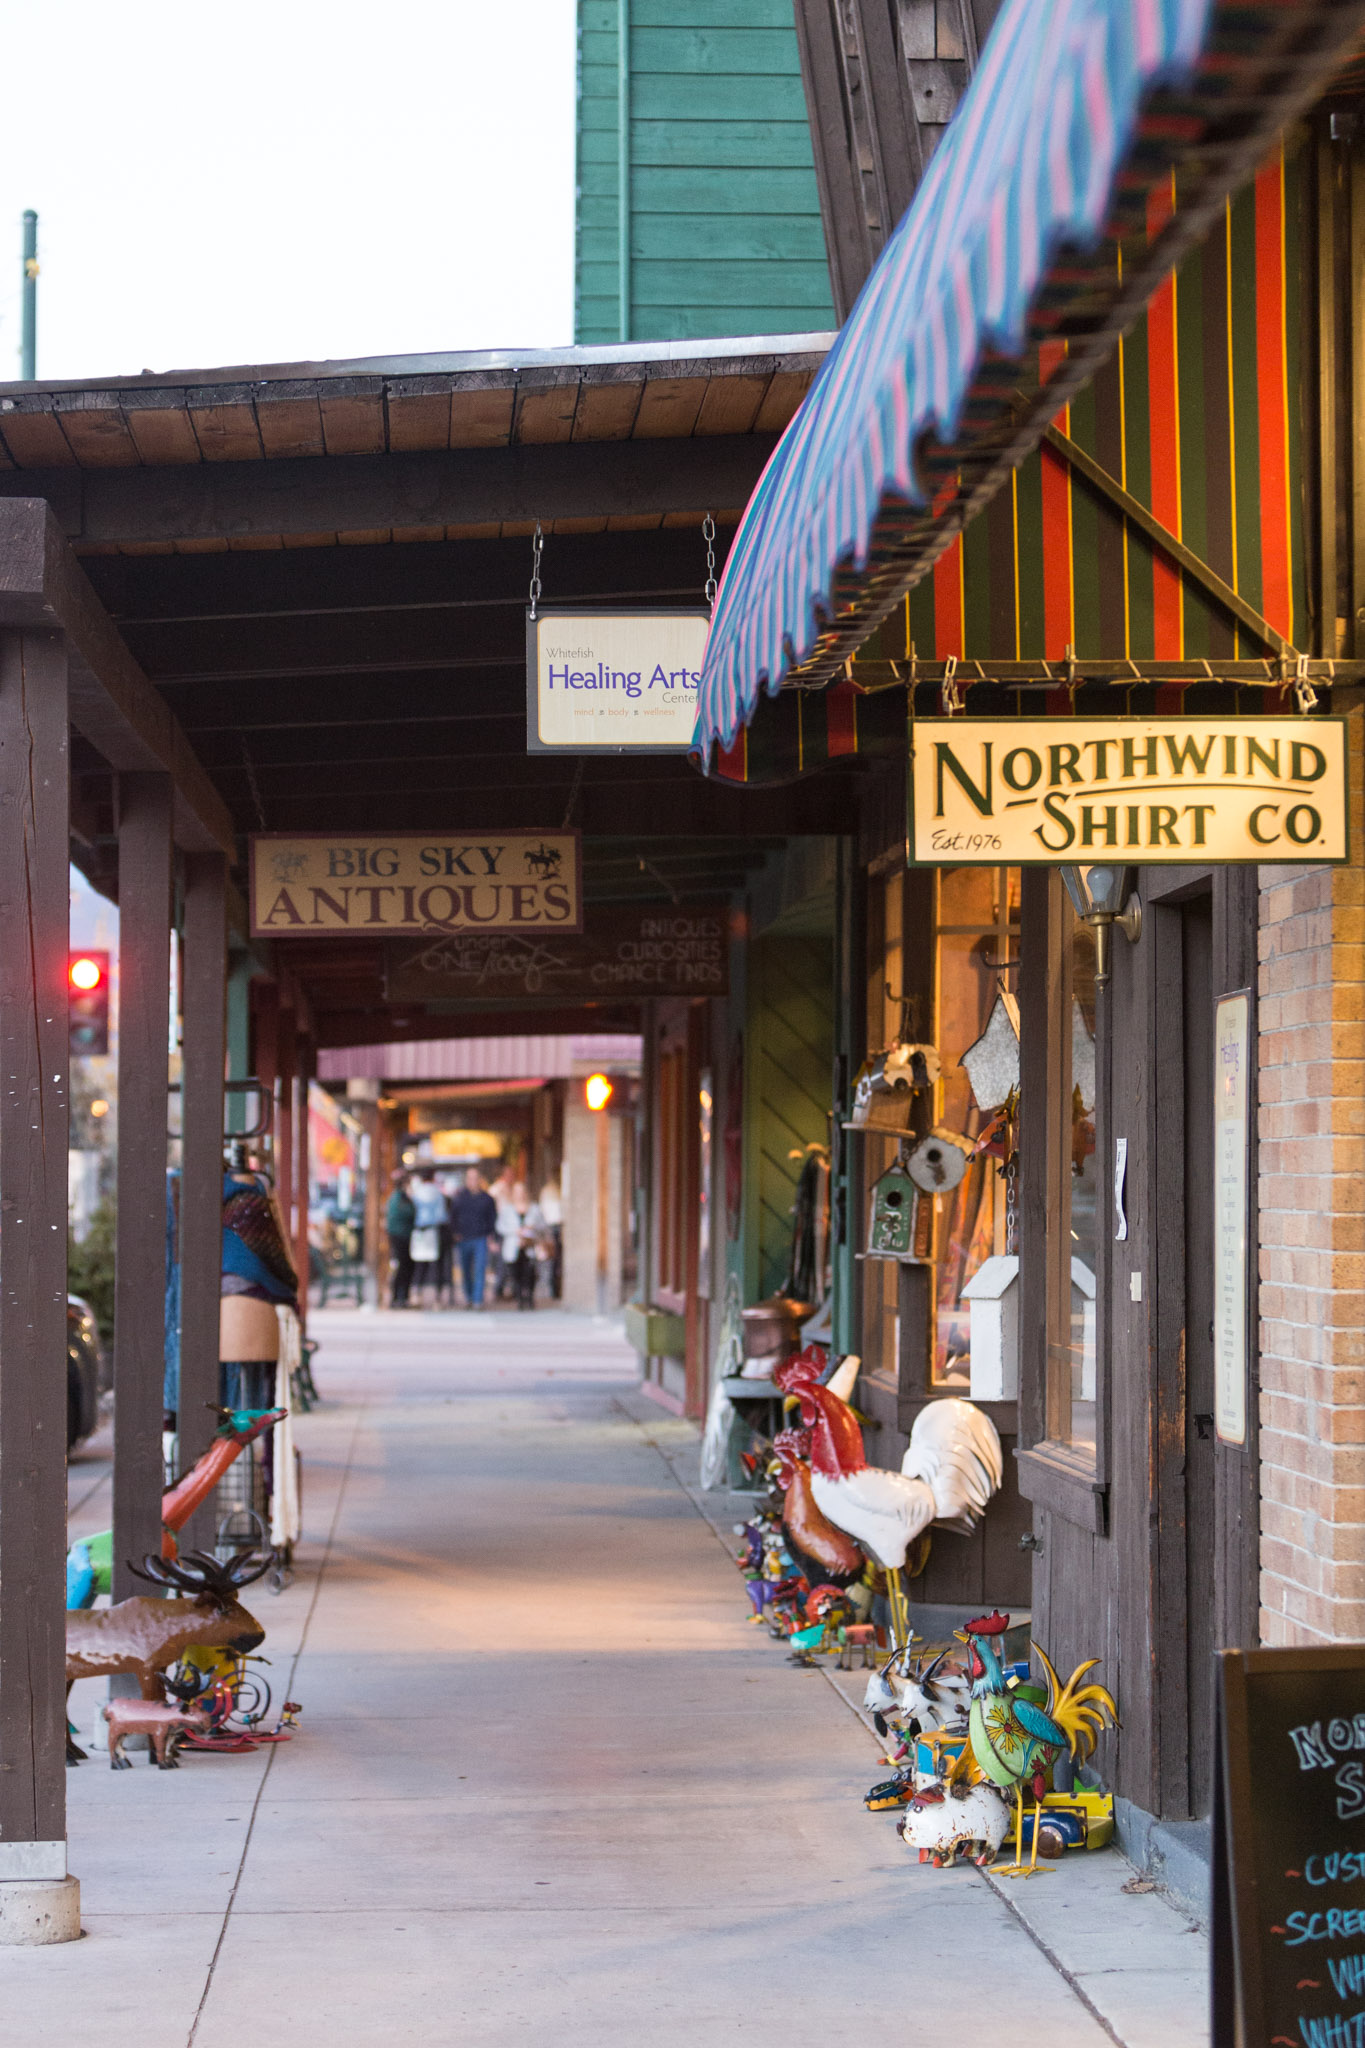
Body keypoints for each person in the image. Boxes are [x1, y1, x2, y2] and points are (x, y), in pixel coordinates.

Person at [450, 1167, 498, 1309]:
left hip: (480, 1238)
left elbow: (492, 1218)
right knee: (465, 1269)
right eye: (470, 1178)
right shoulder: (459, 1198)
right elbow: (453, 1217)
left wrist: (491, 1236)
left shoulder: (487, 1199)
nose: (473, 1181)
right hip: (463, 1238)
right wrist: (455, 1232)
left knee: (480, 1268)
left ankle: (477, 1299)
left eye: (475, 1178)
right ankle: (469, 1297)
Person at [497, 1181, 546, 1311]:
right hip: (514, 1245)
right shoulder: (507, 1209)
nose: (520, 1195)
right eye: (517, 1192)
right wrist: (515, 1232)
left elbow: (543, 1226)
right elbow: (500, 1227)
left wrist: (532, 1229)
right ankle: (520, 1298)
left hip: (530, 1246)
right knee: (515, 1274)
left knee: (529, 1273)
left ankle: (529, 1297)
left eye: (522, 1192)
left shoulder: (534, 1208)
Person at [410, 1168, 449, 1306]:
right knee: (436, 1264)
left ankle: (416, 1294)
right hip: (433, 1231)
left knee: (420, 1264)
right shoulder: (437, 1194)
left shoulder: (416, 1194)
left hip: (419, 1231)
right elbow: (442, 1216)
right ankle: (437, 1298)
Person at [385, 1173, 416, 1308]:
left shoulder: (398, 1197)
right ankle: (398, 1297)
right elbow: (408, 1213)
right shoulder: (399, 1198)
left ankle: (403, 1297)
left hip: (403, 1235)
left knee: (406, 1267)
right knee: (403, 1267)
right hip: (401, 1236)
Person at [538, 1175, 564, 1300]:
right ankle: (553, 1287)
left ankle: (555, 1287)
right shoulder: (550, 1191)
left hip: (557, 1227)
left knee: (555, 1261)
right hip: (552, 1227)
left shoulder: (559, 1190)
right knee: (552, 1259)